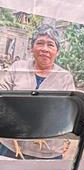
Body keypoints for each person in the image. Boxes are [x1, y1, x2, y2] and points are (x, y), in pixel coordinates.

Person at [0, 24, 75, 158]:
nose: (44, 49)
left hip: (48, 150)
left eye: (50, 45)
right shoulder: (18, 68)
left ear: (57, 51)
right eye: (40, 43)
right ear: (32, 48)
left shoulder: (65, 77)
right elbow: (2, 97)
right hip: (11, 143)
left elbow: (68, 113)